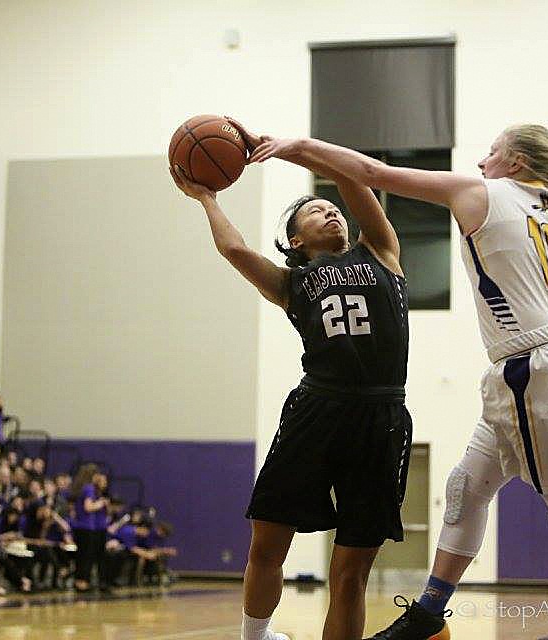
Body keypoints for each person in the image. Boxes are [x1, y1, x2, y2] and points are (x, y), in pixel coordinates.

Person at [247, 123, 548, 640]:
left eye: (492, 151)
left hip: (535, 366)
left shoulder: (481, 192)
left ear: (514, 163)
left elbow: (373, 173)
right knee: (466, 488)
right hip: (547, 366)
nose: (483, 159)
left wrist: (297, 147)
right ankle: (428, 611)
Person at [171, 125, 413, 640]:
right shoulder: (290, 283)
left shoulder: (381, 252)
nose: (331, 212)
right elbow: (235, 250)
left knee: (350, 575)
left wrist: (295, 152)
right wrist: (208, 198)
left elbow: (353, 178)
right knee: (267, 542)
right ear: (297, 241)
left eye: (332, 210)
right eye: (314, 213)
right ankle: (254, 637)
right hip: (316, 410)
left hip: (381, 417)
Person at [71, 465, 109, 592]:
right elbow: (88, 507)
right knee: (86, 557)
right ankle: (82, 583)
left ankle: (80, 581)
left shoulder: (82, 488)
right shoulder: (89, 488)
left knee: (82, 556)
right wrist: (102, 503)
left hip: (80, 526)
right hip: (86, 527)